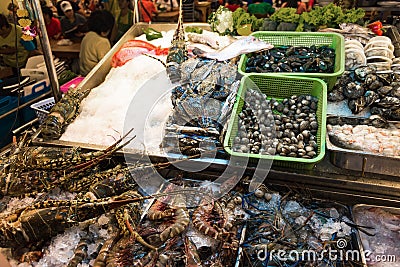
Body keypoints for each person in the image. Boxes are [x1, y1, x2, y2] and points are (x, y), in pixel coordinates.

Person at [79, 10, 114, 76]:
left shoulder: (87, 35)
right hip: (94, 78)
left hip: (83, 75)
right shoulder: (103, 41)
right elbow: (106, 66)